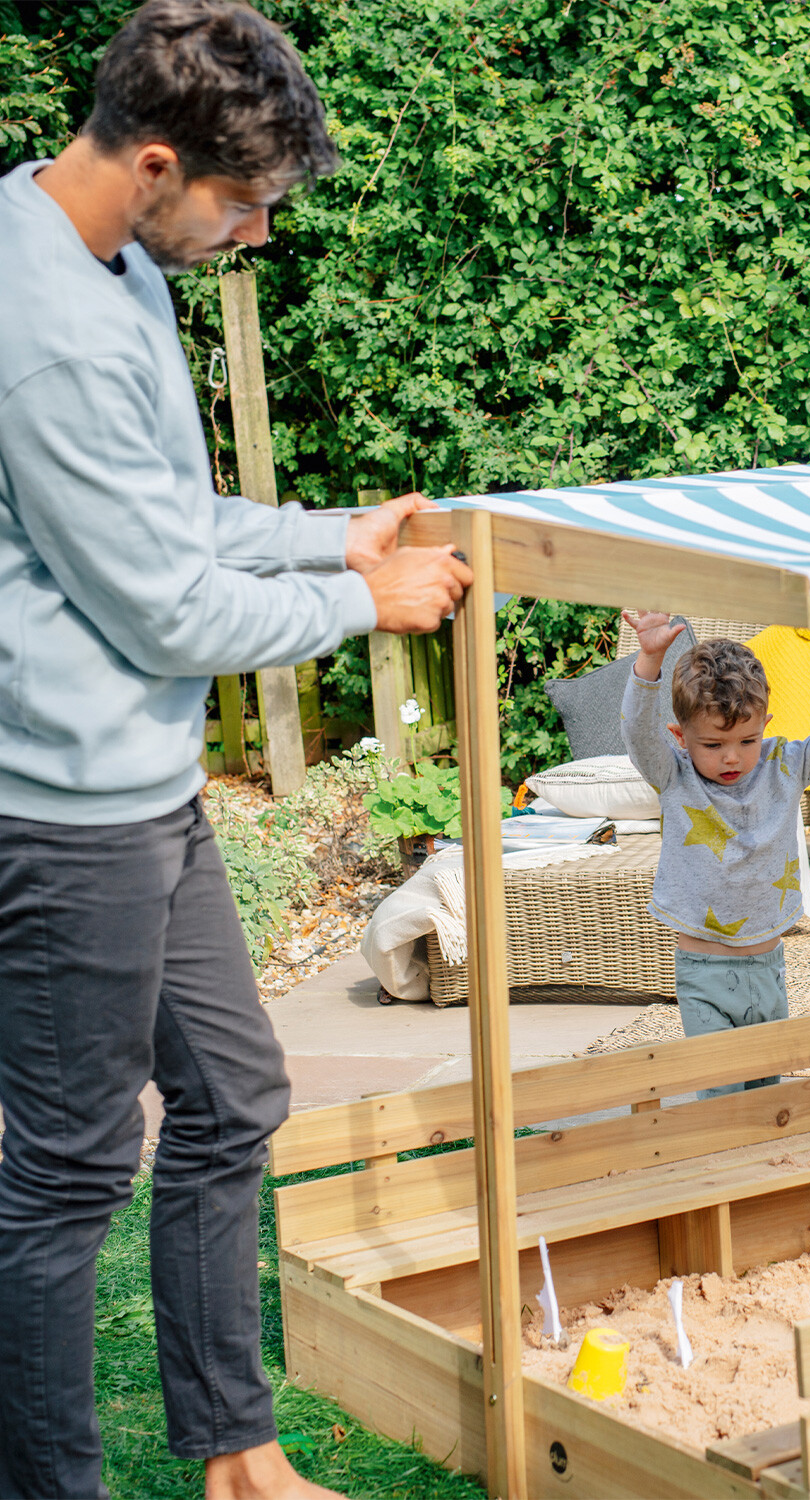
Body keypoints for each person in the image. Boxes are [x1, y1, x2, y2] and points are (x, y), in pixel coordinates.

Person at [0, 3, 472, 1497]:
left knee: (232, 1099)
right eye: (248, 202)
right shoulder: (41, 337)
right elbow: (164, 610)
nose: (259, 233)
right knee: (71, 1171)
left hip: (142, 788)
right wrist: (361, 599)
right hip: (62, 811)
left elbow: (168, 515)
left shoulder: (106, 249)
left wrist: (331, 533)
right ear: (156, 161)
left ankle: (238, 1458)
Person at [620, 612, 810, 1093]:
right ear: (680, 737)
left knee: (767, 1095)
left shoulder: (784, 765)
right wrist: (649, 658)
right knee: (720, 1096)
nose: (731, 756)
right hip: (704, 975)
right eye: (713, 744)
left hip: (768, 968)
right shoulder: (674, 774)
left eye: (746, 740)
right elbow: (635, 732)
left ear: (765, 726)